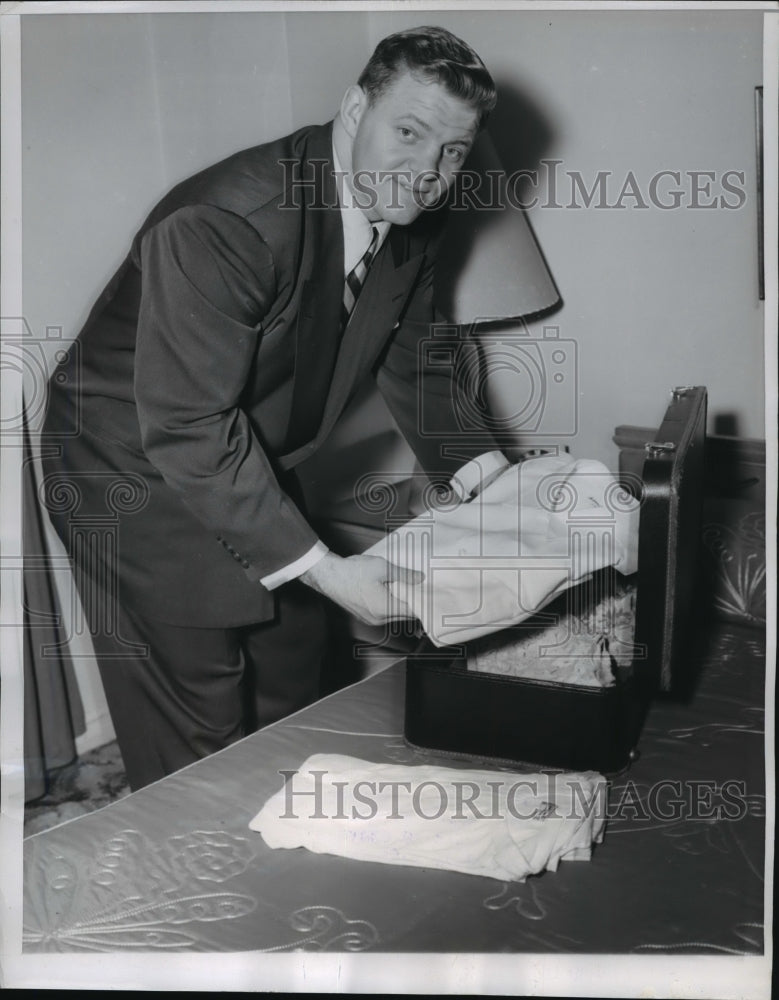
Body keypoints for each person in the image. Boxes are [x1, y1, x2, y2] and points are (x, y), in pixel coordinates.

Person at [42, 25, 506, 790]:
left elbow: (414, 358)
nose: (426, 172)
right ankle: (204, 878)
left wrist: (492, 480)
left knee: (298, 666)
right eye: (409, 132)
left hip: (232, 444)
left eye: (450, 151)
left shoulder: (412, 216)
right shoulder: (228, 221)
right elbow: (187, 426)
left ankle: (292, 846)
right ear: (355, 107)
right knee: (203, 715)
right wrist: (326, 568)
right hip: (126, 462)